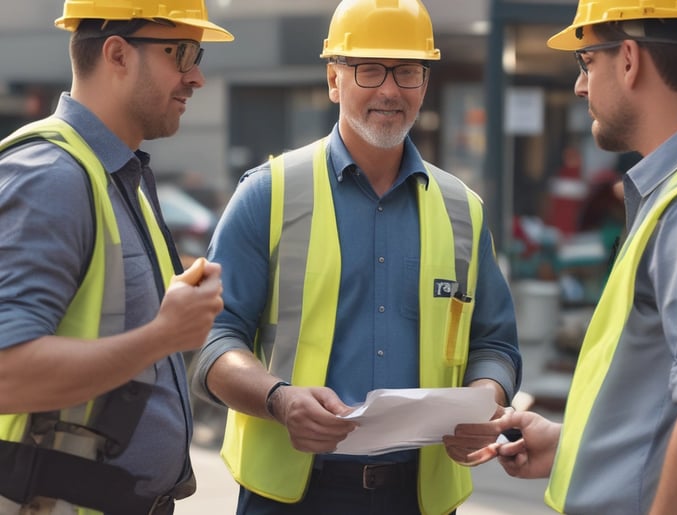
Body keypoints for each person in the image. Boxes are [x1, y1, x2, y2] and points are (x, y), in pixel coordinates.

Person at [190, 0, 522, 514]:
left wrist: (485, 399)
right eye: (369, 69)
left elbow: (495, 344)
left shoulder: (463, 210)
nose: (389, 89)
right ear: (333, 80)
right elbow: (212, 336)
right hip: (290, 497)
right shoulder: (268, 194)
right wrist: (279, 398)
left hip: (418, 496)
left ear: (424, 84)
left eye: (407, 71)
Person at [446, 1, 677, 514]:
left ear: (629, 60)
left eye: (586, 62)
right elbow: (668, 402)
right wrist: (575, 444)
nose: (579, 86)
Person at [0, 1, 231, 513]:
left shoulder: (115, 175)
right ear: (118, 54)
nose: (197, 77)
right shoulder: (51, 176)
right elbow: (7, 373)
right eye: (183, 53)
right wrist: (162, 336)